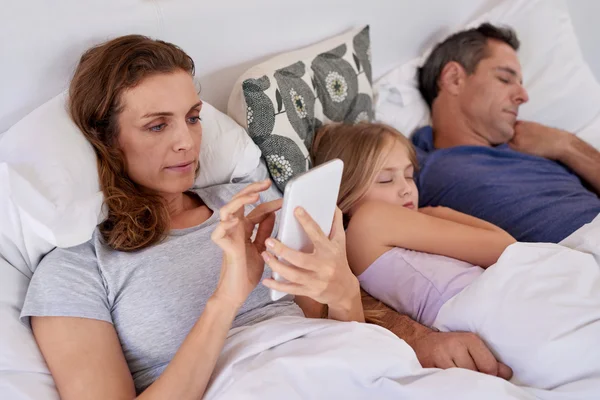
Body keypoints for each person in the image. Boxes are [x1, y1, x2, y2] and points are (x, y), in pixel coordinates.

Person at [19, 35, 364, 399]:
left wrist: (344, 293)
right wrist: (226, 300)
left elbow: (340, 340)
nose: (187, 141)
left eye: (193, 117)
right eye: (157, 125)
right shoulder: (75, 272)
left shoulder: (253, 203)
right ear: (107, 140)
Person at [313, 122, 515, 379]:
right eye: (386, 179)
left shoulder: (361, 257)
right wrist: (441, 213)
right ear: (346, 193)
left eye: (409, 175)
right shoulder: (371, 219)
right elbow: (506, 247)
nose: (406, 188)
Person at [412, 23, 600, 244]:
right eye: (505, 79)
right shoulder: (414, 164)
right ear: (454, 78)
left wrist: (567, 145)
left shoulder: (540, 147)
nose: (523, 96)